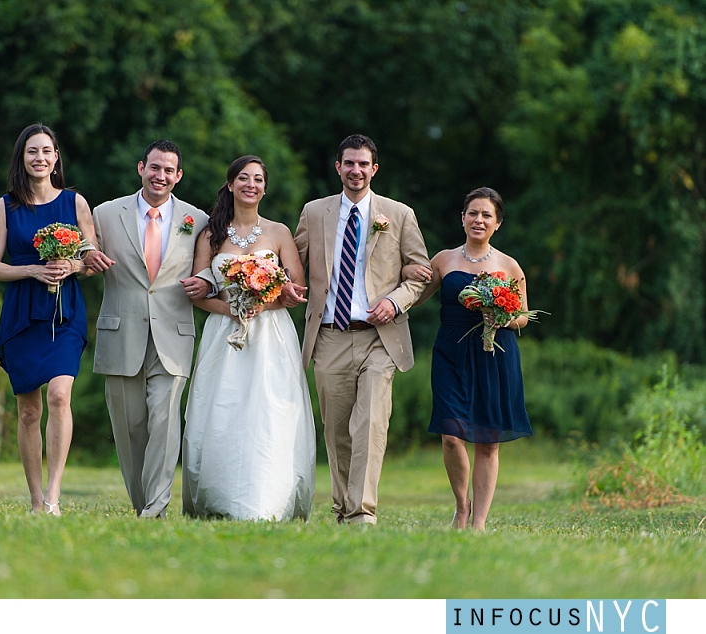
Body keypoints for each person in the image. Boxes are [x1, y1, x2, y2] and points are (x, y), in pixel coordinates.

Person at [283, 134, 431, 525]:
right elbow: (292, 266)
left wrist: (395, 301)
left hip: (380, 337)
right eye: (349, 163)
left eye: (364, 164)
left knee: (370, 423)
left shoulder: (398, 214)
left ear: (374, 169)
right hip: (329, 334)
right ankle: (342, 508)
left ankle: (362, 512)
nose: (356, 170)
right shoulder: (315, 212)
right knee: (337, 431)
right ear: (338, 167)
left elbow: (420, 273)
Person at [0, 123, 114, 515]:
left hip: (65, 311)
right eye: (31, 152)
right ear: (21, 159)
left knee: (59, 395)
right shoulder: (5, 206)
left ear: (56, 157)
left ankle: (54, 497)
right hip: (23, 312)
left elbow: (92, 262)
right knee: (29, 410)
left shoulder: (76, 203)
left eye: (46, 151)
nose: (39, 158)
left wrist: (73, 265)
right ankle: (34, 501)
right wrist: (32, 271)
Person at [182, 156, 316, 521]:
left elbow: (296, 288)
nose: (250, 184)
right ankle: (221, 497)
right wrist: (231, 310)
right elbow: (198, 292)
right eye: (243, 178)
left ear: (265, 188)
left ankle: (268, 499)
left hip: (270, 334)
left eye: (258, 179)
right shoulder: (211, 235)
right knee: (223, 411)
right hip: (224, 333)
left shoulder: (278, 233)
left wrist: (268, 300)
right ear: (230, 184)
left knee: (268, 413)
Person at [91, 140, 211, 519]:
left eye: (168, 170)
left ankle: (156, 508)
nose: (160, 176)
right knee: (130, 429)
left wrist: (206, 281)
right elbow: (83, 249)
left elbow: (210, 266)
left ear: (179, 176)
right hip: (120, 332)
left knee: (164, 418)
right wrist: (83, 255)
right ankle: (143, 504)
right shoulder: (106, 214)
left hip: (172, 336)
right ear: (141, 168)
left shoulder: (198, 220)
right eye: (154, 167)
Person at [404, 186, 533, 530]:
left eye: (486, 215)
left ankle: (477, 523)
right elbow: (415, 298)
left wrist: (503, 316)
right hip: (450, 353)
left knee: (488, 442)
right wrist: (405, 274)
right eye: (472, 213)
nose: (479, 220)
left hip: (495, 355)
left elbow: (522, 316)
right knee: (451, 434)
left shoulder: (509, 265)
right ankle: (462, 506)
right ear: (462, 218)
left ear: (498, 223)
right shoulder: (443, 259)